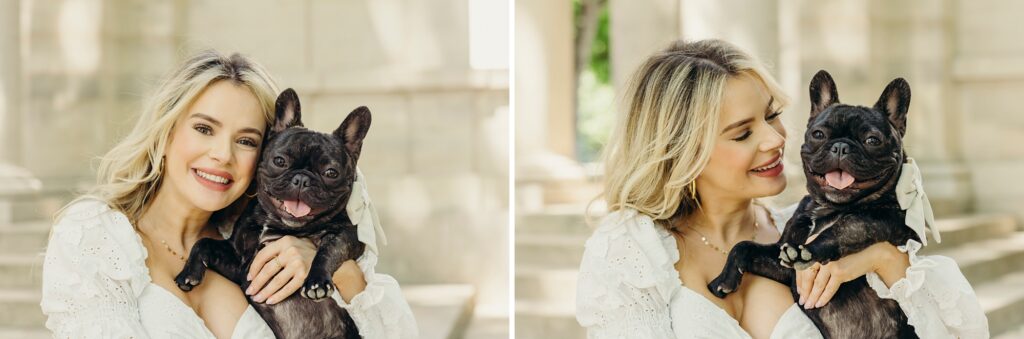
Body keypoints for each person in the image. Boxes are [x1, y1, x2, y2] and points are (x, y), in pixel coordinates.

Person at [575, 39, 989, 338]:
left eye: (772, 116)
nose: (775, 140)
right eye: (742, 134)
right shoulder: (633, 250)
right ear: (680, 152)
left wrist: (884, 259)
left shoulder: (808, 229)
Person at [40, 50, 418, 338]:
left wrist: (334, 264)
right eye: (205, 129)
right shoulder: (97, 234)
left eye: (246, 140)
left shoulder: (251, 236)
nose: (223, 154)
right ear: (166, 132)